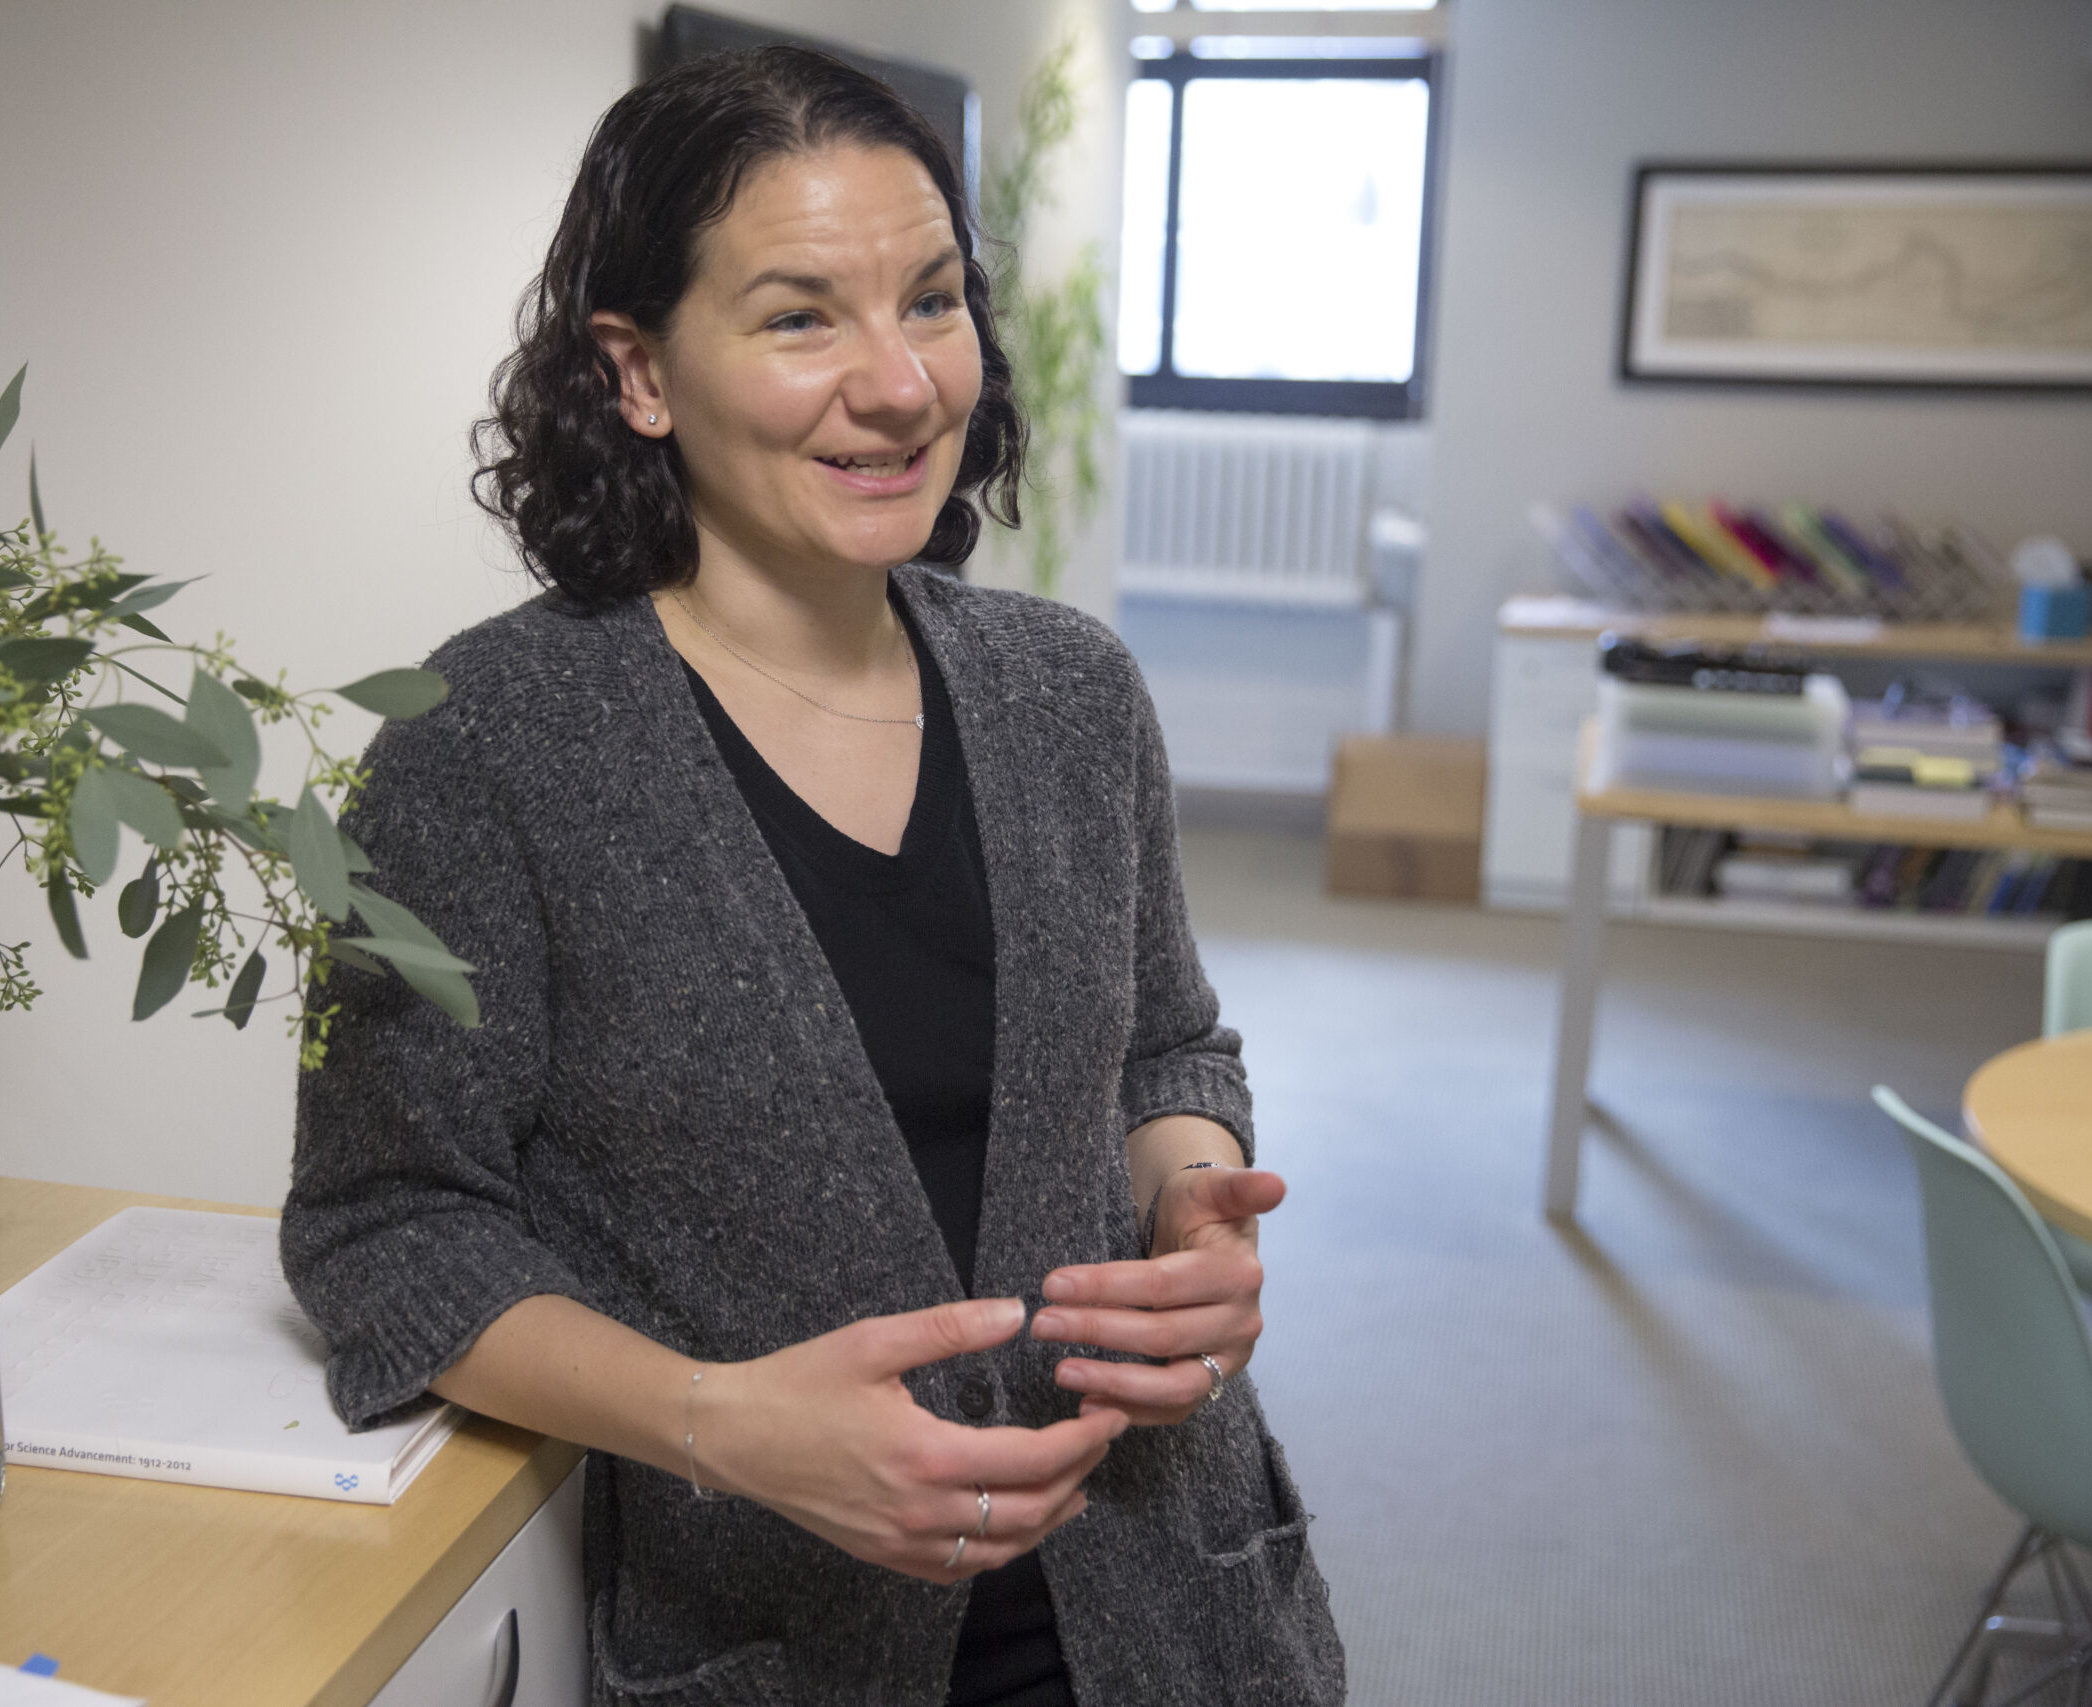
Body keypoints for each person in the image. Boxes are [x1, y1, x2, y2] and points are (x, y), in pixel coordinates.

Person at [282, 44, 1345, 1707]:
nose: (905, 384)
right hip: (790, 1639)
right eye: (800, 319)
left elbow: (1165, 1047)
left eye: (931, 302)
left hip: (1173, 1601)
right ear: (638, 373)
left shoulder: (1072, 695)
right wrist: (721, 1425)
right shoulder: (483, 748)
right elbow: (389, 1225)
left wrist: (1188, 1196)